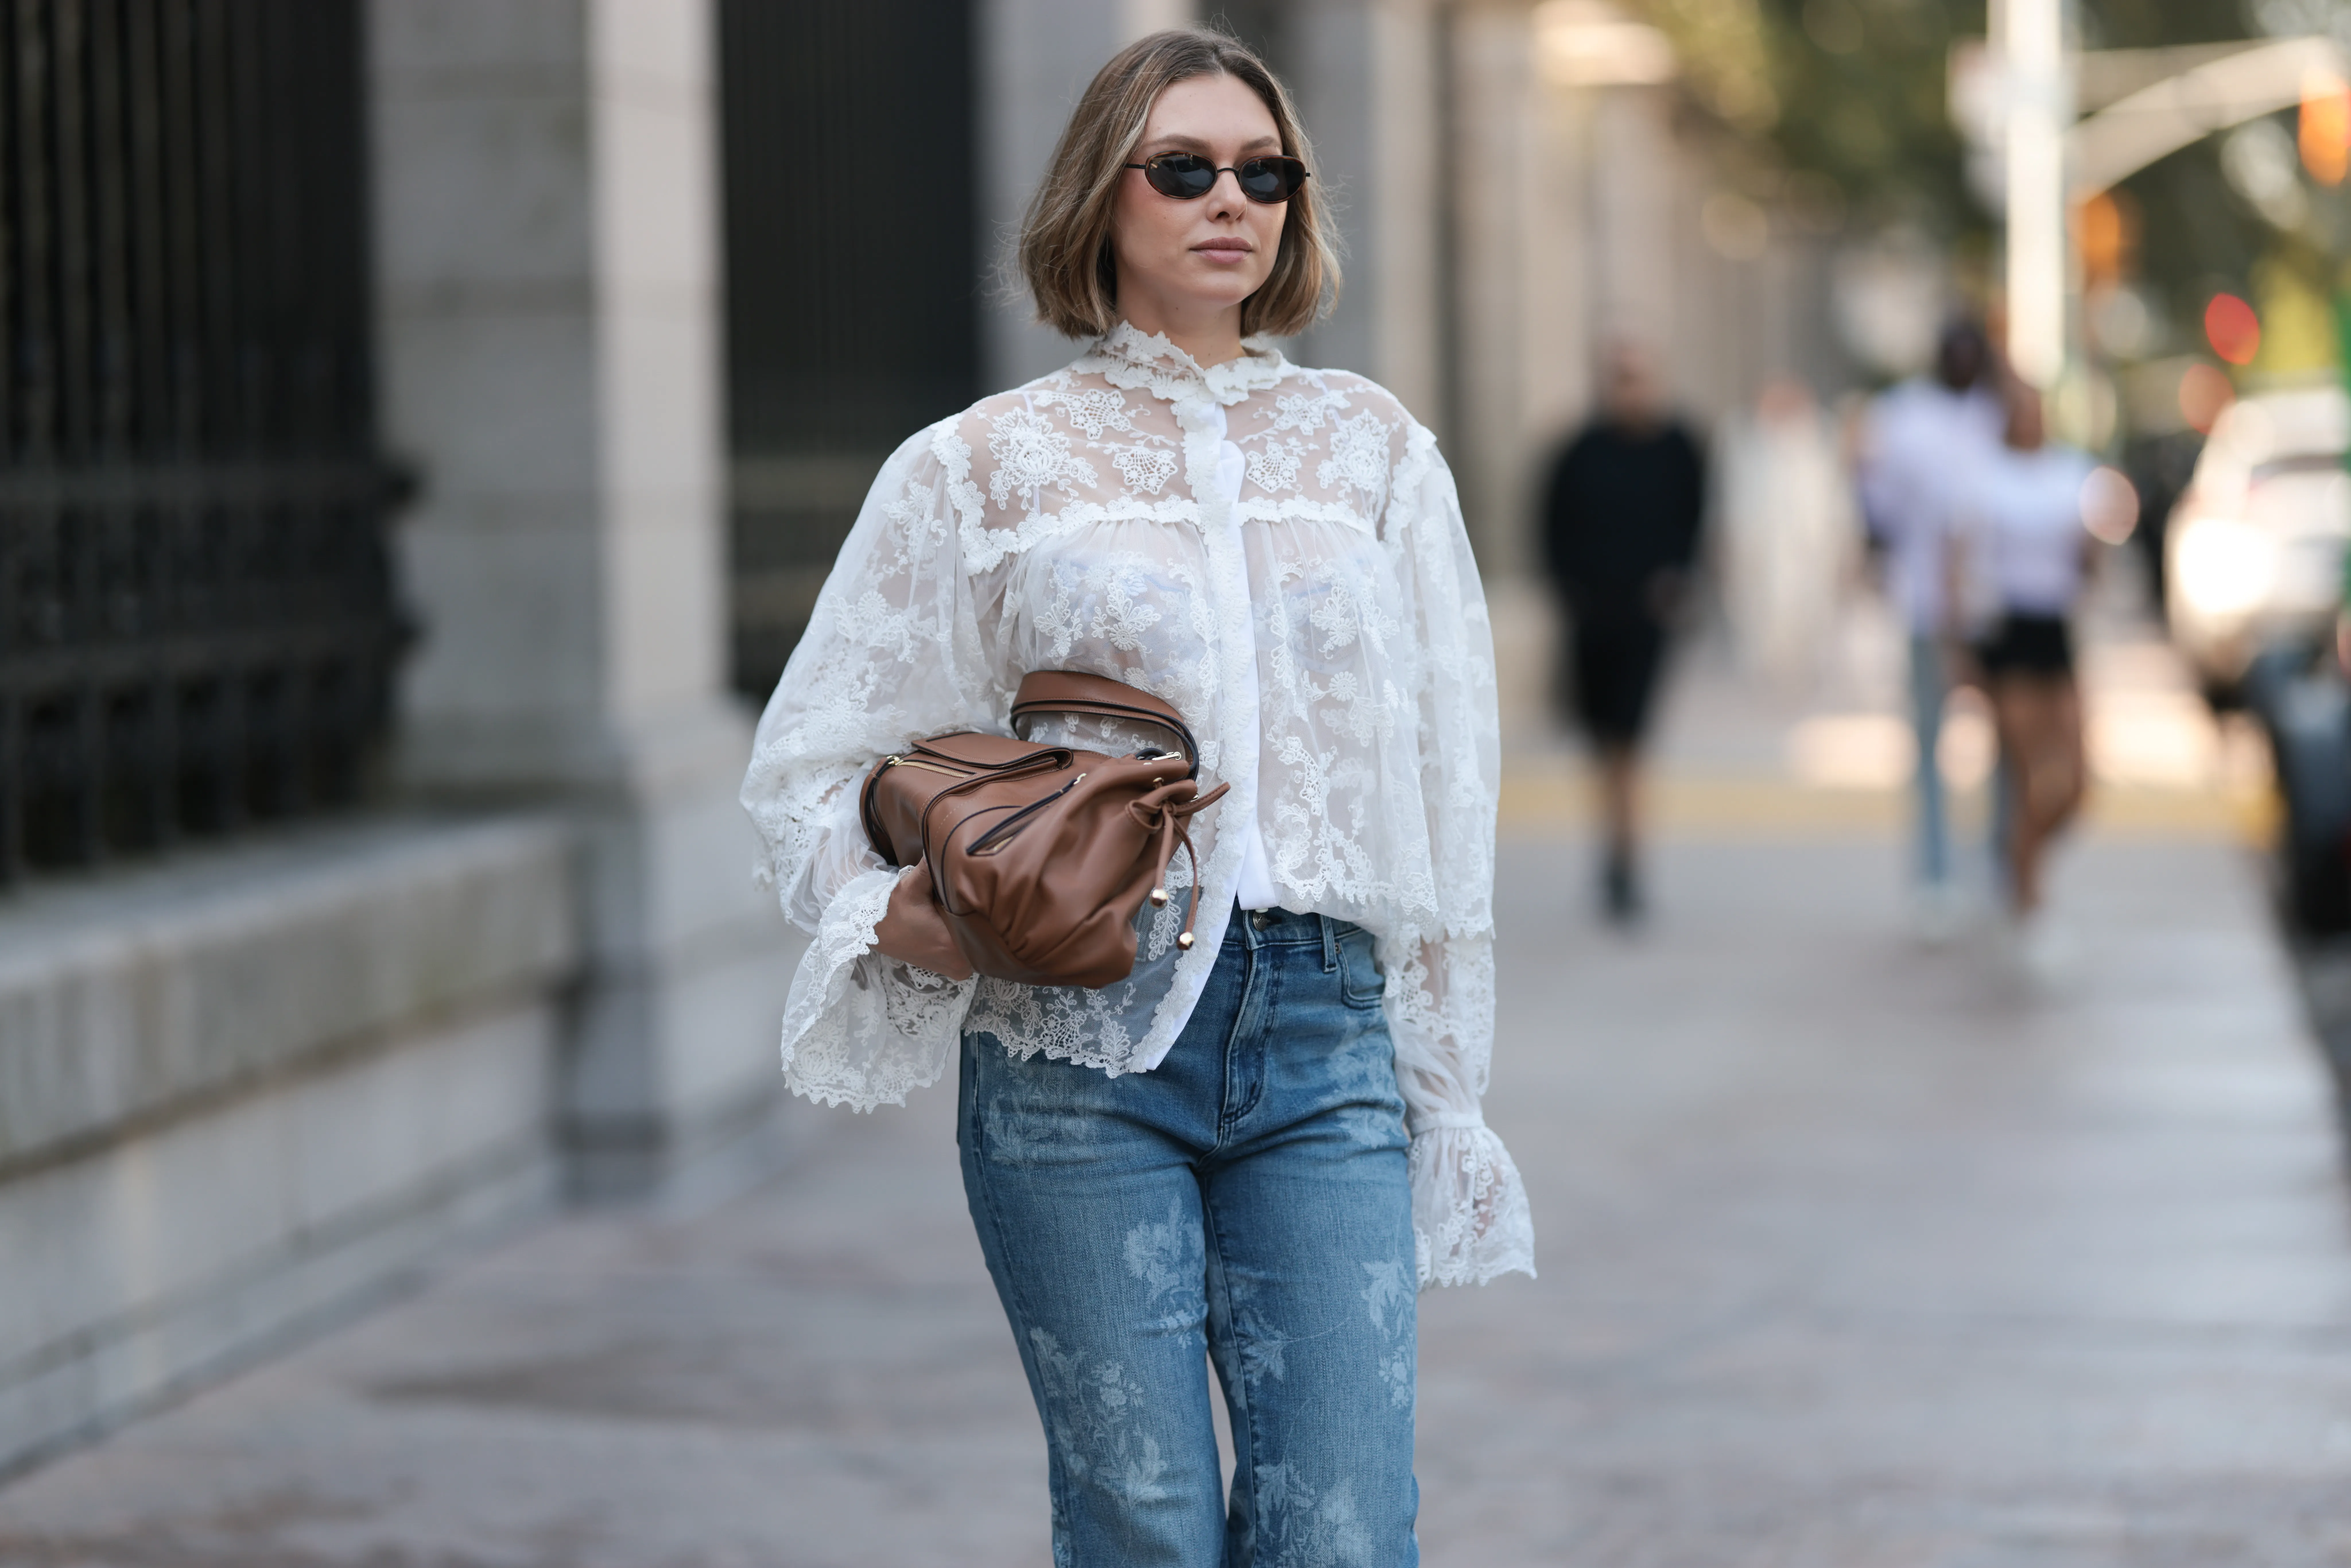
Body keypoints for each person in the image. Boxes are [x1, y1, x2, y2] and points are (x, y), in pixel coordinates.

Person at [739, 28, 1533, 1565]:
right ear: (1104, 198)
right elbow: (815, 756)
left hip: (1324, 1034)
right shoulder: (983, 465)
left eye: (1265, 172)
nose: (1230, 200)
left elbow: (1447, 789)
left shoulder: (1373, 455)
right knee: (1143, 1520)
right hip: (1073, 1050)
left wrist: (1445, 1082)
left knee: (1348, 1528)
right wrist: (925, 917)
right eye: (1186, 168)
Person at [1539, 343, 1705, 923]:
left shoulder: (1678, 447)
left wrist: (1678, 584)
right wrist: (1570, 593)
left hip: (1646, 620)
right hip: (1592, 620)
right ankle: (1611, 848)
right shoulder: (1580, 451)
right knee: (1602, 745)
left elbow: (1695, 522)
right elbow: (1551, 527)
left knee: (1631, 744)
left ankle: (1627, 858)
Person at [1856, 319, 2005, 935]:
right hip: (1924, 604)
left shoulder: (2000, 413)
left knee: (2007, 747)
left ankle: (1998, 871)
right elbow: (1878, 506)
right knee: (1928, 746)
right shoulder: (1903, 417)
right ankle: (1935, 878)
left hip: (1998, 608)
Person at [1951, 381, 2095, 963]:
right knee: (2026, 772)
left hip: (2056, 630)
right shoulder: (1984, 479)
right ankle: (2026, 898)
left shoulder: (2070, 472)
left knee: (2077, 778)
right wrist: (1962, 650)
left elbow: (2088, 556)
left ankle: (2022, 860)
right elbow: (1959, 563)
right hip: (2006, 633)